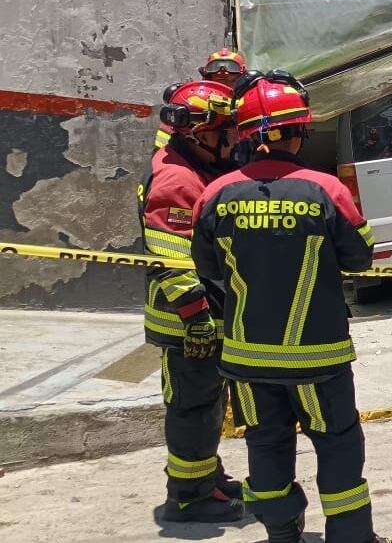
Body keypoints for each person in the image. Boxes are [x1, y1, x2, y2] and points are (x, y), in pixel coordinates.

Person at [191, 70, 386, 543]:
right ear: (297, 131)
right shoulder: (326, 191)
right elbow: (361, 256)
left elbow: (207, 266)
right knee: (338, 445)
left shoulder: (213, 195)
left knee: (265, 446)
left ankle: (281, 533)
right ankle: (350, 536)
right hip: (318, 356)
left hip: (249, 359)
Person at [138, 79, 244, 523]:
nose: (233, 140)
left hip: (202, 314)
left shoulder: (191, 163)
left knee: (206, 405)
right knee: (193, 407)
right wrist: (197, 317)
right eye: (225, 133)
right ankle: (188, 497)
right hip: (187, 321)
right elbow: (172, 259)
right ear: (199, 134)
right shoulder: (177, 179)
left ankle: (205, 477)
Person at [154, 48, 248, 154]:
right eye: (218, 82)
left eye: (231, 81)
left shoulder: (249, 110)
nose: (222, 90)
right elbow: (162, 154)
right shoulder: (187, 111)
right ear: (207, 80)